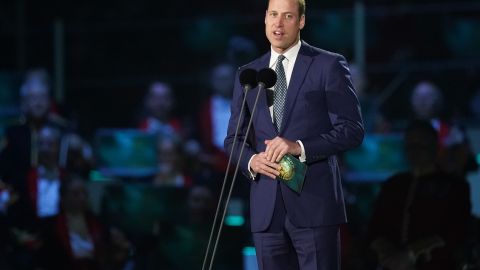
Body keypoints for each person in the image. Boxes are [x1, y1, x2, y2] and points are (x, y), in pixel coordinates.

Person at [224, 0, 364, 269]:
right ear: (265, 19)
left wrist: (299, 146)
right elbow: (234, 140)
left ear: (301, 21)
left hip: (314, 204)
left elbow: (352, 130)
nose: (278, 23)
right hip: (266, 208)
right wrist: (252, 161)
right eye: (273, 15)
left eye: (287, 16)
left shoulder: (328, 64)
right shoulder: (248, 75)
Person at [367, 120, 471, 270]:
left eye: (420, 143)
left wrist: (412, 253)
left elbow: (456, 229)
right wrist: (388, 254)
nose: (414, 149)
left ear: (433, 145)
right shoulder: (394, 185)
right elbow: (375, 227)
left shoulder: (454, 186)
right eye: (409, 144)